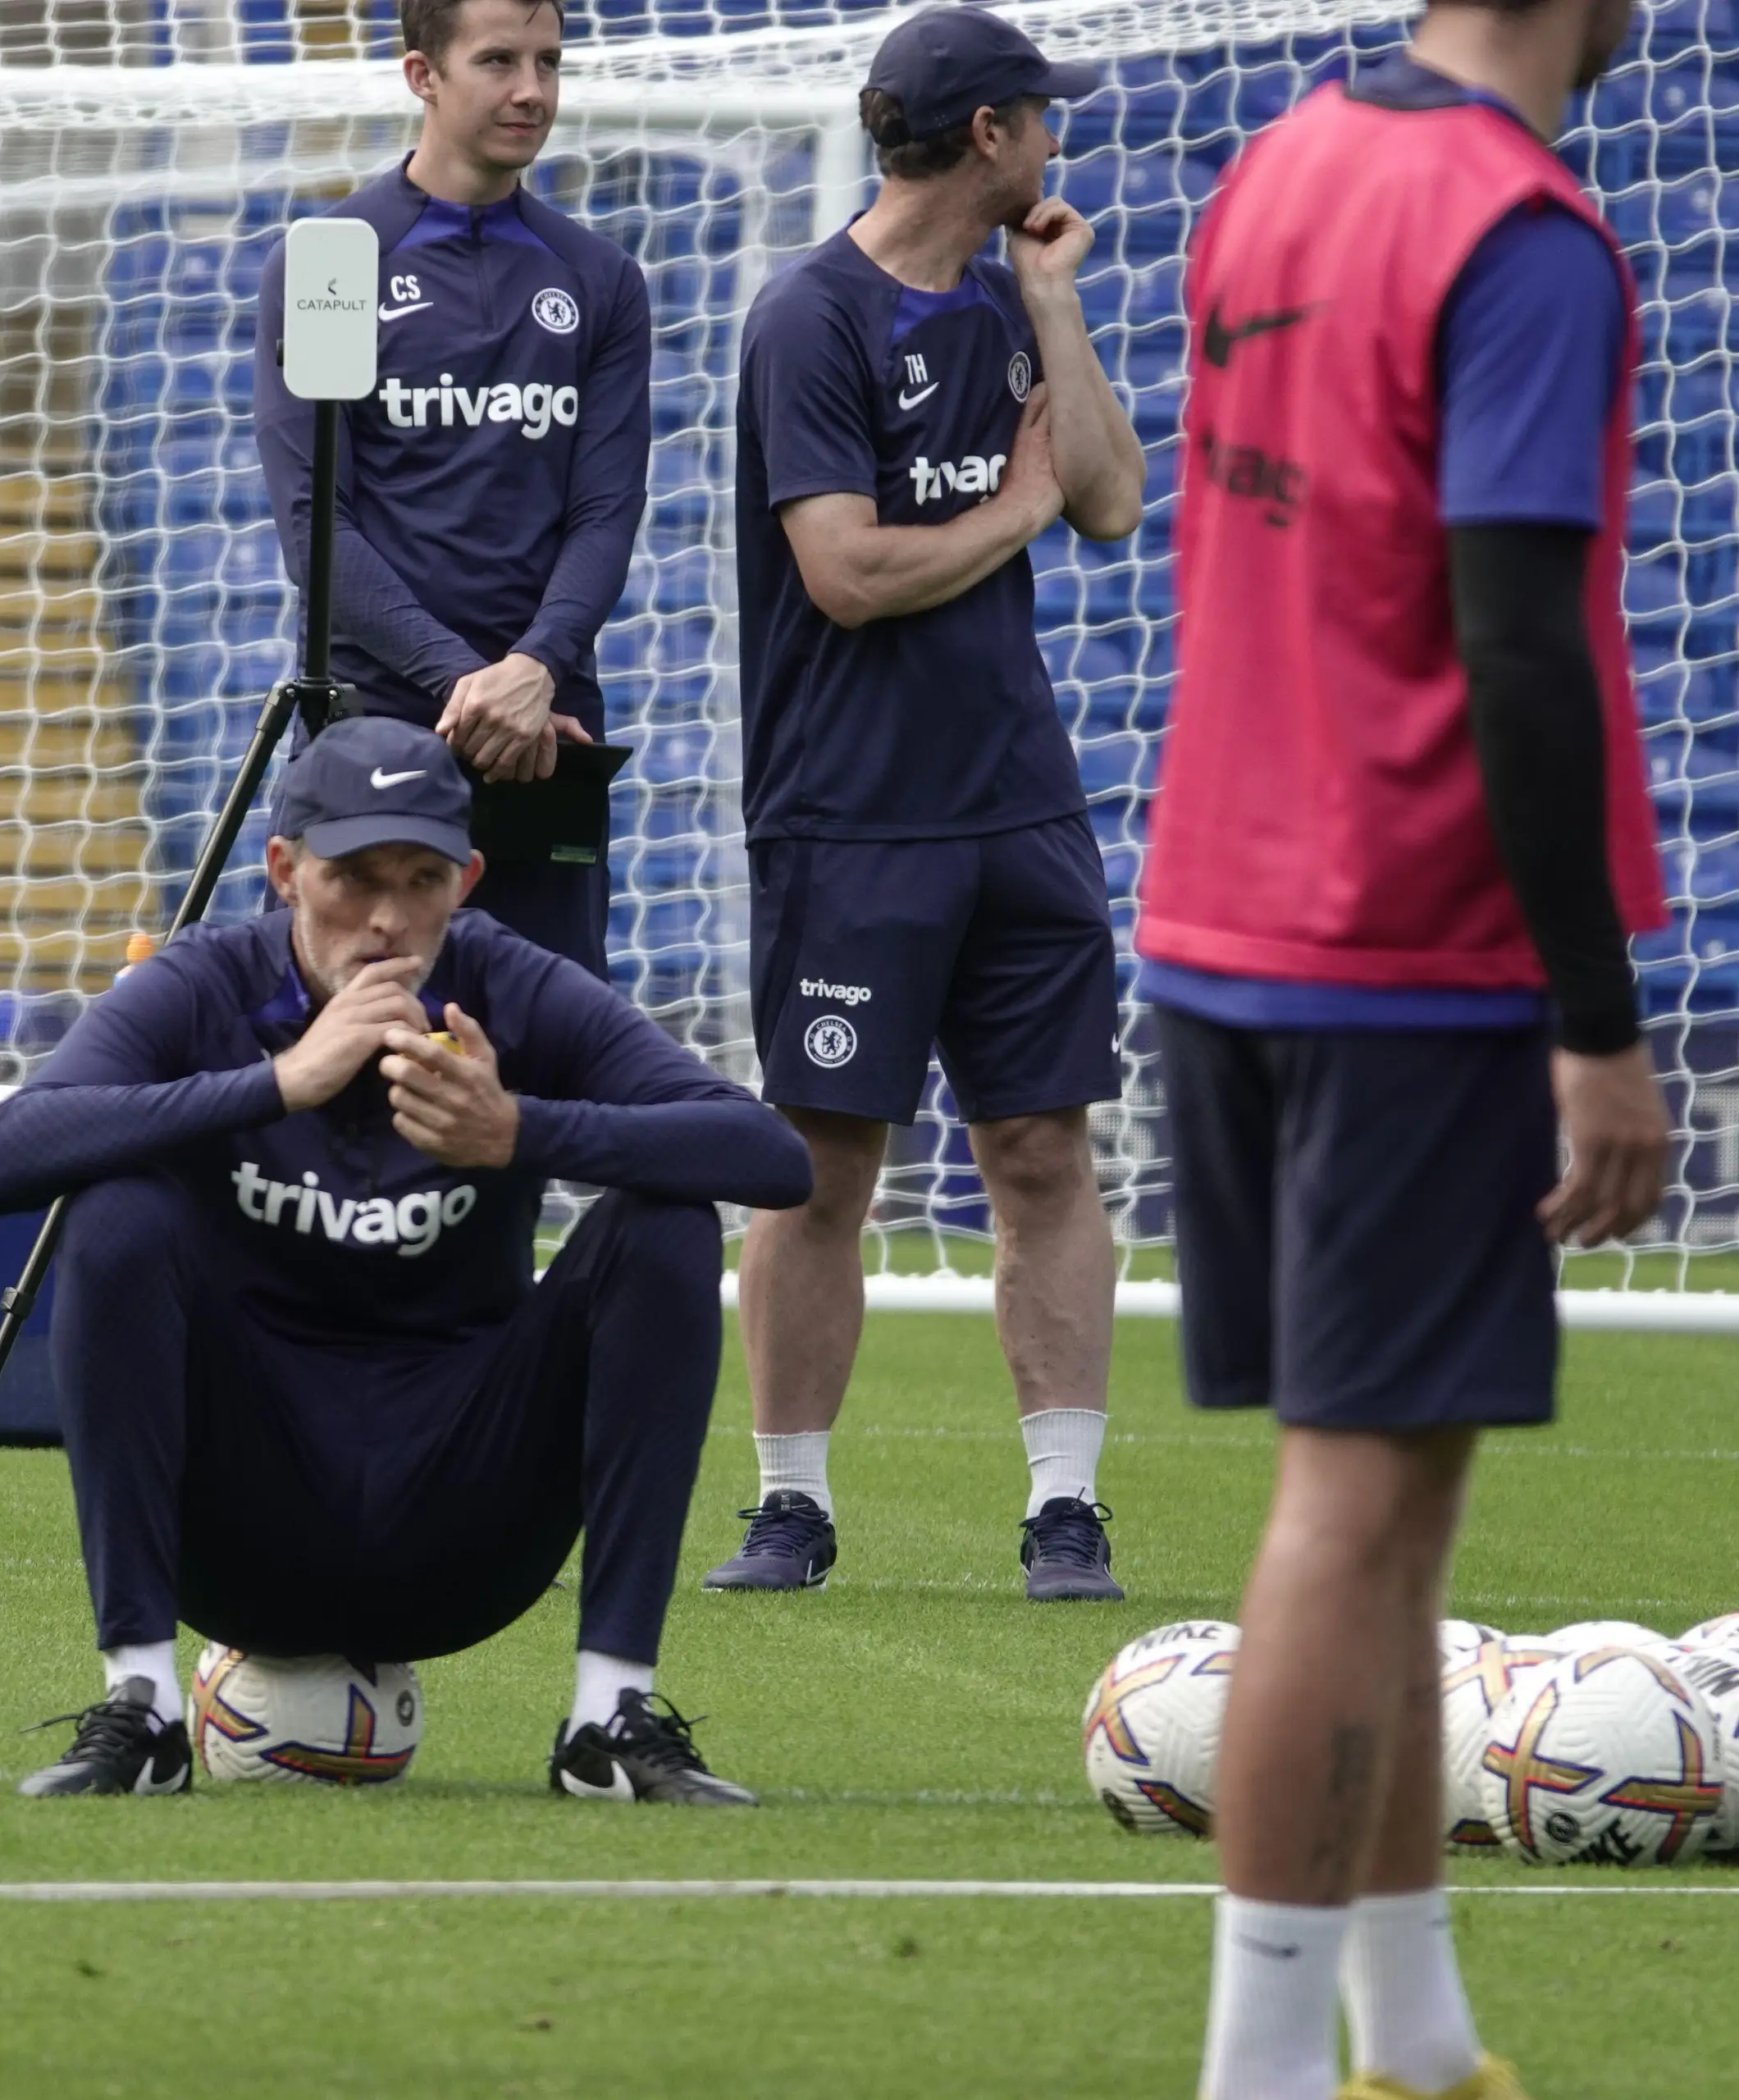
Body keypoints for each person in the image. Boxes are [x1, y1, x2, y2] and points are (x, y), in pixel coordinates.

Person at [1144, 3, 1669, 2095]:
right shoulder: (1517, 230)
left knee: (1389, 1511)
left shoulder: (1277, 162)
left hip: (1226, 905)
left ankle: (1413, 2039)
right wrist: (1594, 1021)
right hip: (1401, 944)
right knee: (1348, 1515)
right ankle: (1264, 2069)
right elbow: (1519, 646)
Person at [0, 716, 811, 1802]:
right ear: (283, 872)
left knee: (666, 1222)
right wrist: (280, 1082)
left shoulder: (509, 983)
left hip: (466, 1529)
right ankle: (144, 1710)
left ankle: (607, 1720)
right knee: (117, 1210)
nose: (386, 919)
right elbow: (1, 1159)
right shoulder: (203, 985)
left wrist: (519, 1131)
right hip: (240, 1537)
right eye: (351, 878)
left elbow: (771, 1158)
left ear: (467, 879)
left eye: (421, 880)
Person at [710, 5, 1144, 1604]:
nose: (1057, 137)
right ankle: (792, 1504)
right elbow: (846, 571)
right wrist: (1015, 503)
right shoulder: (807, 316)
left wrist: (1056, 302)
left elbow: (1106, 499)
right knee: (826, 1164)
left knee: (1041, 1146)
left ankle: (1066, 1507)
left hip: (1016, 808)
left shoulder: (1015, 296)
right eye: (1042, 115)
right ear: (989, 135)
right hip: (848, 815)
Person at [251, 0, 651, 981]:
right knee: (364, 1037)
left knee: (545, 1058)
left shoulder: (599, 278)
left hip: (546, 728)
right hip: (385, 722)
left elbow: (606, 509)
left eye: (549, 62)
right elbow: (314, 528)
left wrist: (536, 667)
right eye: (499, 61)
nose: (532, 90)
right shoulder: (331, 263)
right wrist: (469, 687)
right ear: (422, 76)